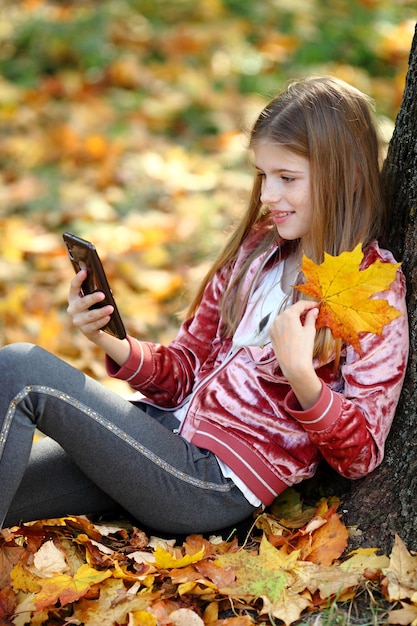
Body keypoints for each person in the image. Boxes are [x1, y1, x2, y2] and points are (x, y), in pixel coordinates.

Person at [0, 76, 409, 534]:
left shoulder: (371, 288)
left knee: (20, 369)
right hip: (158, 438)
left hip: (208, 482)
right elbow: (185, 370)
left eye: (287, 178)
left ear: (347, 176)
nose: (269, 195)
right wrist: (110, 340)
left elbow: (363, 455)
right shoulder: (255, 253)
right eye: (263, 176)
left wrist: (303, 379)